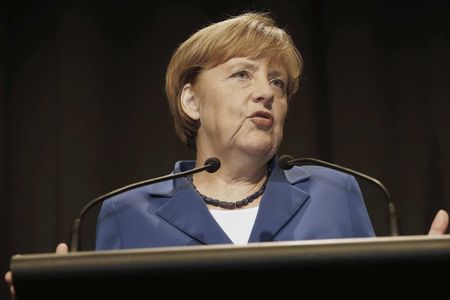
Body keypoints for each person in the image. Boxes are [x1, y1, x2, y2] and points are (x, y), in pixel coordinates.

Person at [5, 11, 449, 298]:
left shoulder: (337, 193)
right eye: (242, 74)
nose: (265, 93)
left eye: (277, 82)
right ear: (191, 102)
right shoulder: (126, 212)